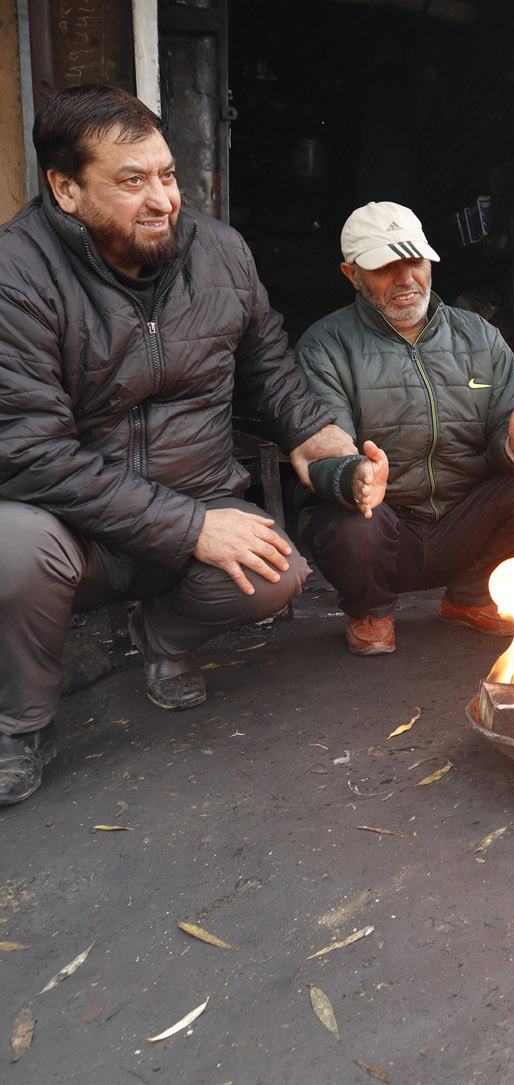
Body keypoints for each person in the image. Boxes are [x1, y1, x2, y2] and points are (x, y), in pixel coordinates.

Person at [0, 84, 357, 805]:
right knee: (11, 548)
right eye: (131, 182)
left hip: (191, 501)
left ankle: (161, 637)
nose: (163, 199)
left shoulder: (221, 253)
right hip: (77, 531)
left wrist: (321, 438)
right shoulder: (17, 272)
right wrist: (193, 527)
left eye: (166, 174)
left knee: (277, 569)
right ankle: (22, 723)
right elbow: (30, 452)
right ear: (66, 189)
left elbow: (271, 373)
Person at [295, 201, 514, 655]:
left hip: (463, 522)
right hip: (385, 524)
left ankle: (471, 596)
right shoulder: (325, 346)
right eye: (386, 267)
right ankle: (371, 610)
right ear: (352, 275)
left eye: (415, 262)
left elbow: (508, 436)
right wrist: (356, 476)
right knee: (346, 516)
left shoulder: (479, 337)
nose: (407, 279)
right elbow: (326, 446)